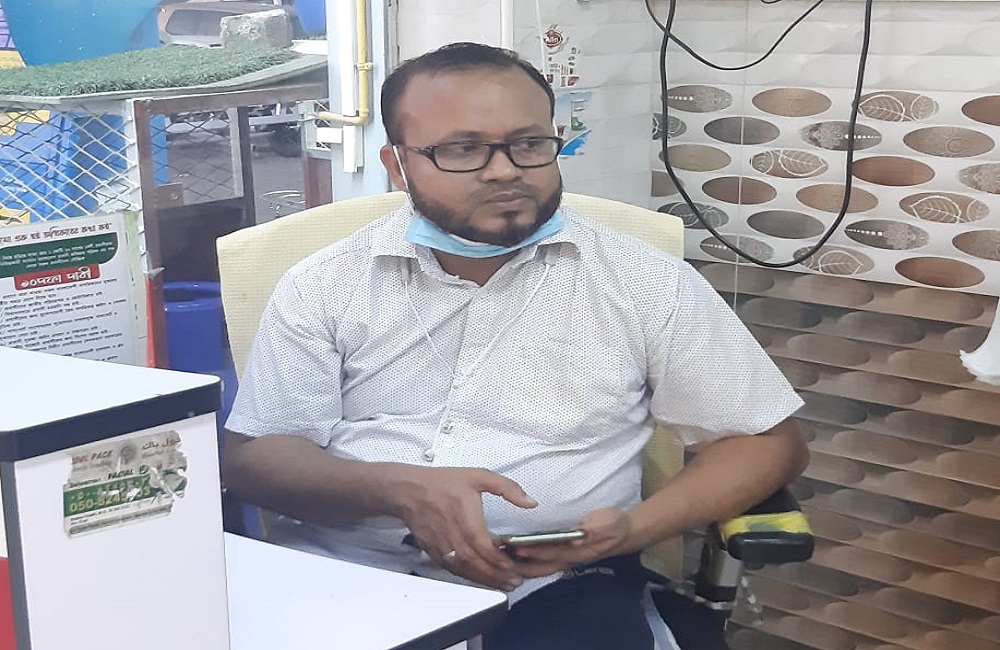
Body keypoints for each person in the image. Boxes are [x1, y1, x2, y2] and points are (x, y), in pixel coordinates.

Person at [223, 41, 808, 650]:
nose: (504, 170)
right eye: (463, 149)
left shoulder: (645, 282)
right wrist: (395, 489)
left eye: (528, 144)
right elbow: (257, 458)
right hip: (344, 572)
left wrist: (633, 530)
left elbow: (766, 441)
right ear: (397, 166)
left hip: (557, 581)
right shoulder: (324, 283)